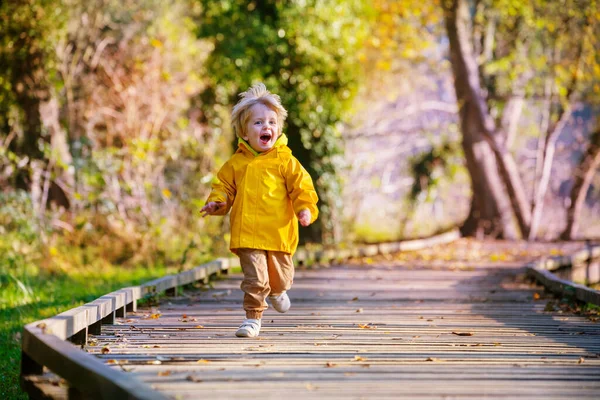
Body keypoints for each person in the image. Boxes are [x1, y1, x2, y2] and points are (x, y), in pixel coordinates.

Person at [200, 83, 319, 338]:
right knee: (255, 281)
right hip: (248, 233)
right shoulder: (236, 164)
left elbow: (302, 189)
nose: (267, 127)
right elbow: (224, 188)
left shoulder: (285, 161)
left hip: (278, 234)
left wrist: (305, 209)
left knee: (280, 280)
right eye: (258, 123)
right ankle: (252, 318)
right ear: (244, 131)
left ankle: (278, 291)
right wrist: (217, 203)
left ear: (279, 128)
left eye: (272, 122)